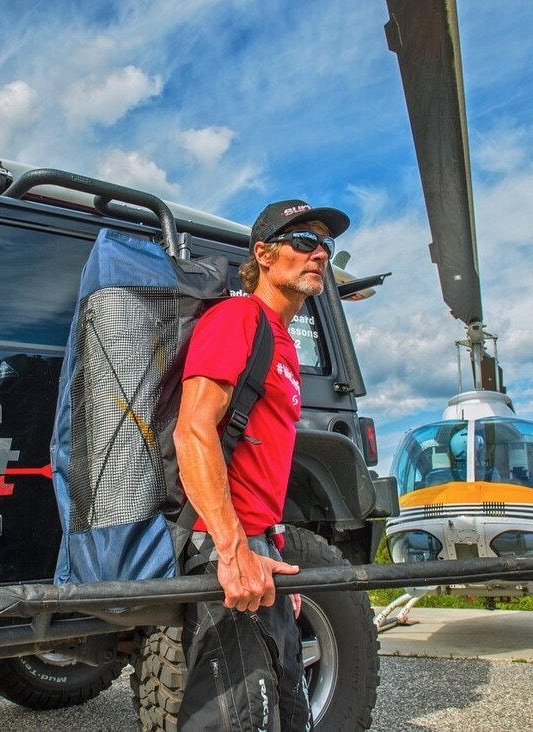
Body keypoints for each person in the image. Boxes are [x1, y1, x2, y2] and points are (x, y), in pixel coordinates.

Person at [173, 199, 350, 730]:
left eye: (325, 245)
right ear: (264, 255)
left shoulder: (283, 343)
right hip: (223, 543)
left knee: (287, 705)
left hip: (258, 545)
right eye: (303, 241)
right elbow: (193, 430)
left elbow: (260, 463)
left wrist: (268, 550)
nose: (318, 253)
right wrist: (233, 553)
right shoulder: (237, 318)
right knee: (232, 714)